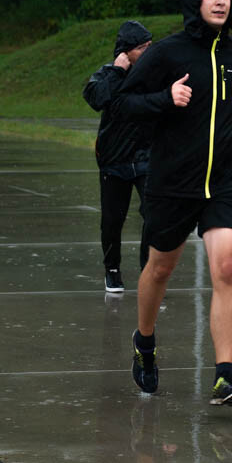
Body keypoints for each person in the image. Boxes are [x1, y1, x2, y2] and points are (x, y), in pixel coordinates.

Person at [112, 0, 232, 406]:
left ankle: (224, 376)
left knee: (227, 268)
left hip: (223, 182)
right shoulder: (167, 53)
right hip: (173, 182)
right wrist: (166, 99)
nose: (220, 1)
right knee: (160, 269)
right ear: (194, 1)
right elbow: (122, 104)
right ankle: (144, 341)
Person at [83, 20, 154, 293]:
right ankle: (112, 270)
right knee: (113, 220)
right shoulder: (106, 74)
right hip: (114, 160)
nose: (148, 52)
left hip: (147, 158)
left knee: (154, 213)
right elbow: (95, 99)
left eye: (150, 46)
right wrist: (117, 71)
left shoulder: (154, 73)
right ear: (125, 52)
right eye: (142, 47)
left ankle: (149, 273)